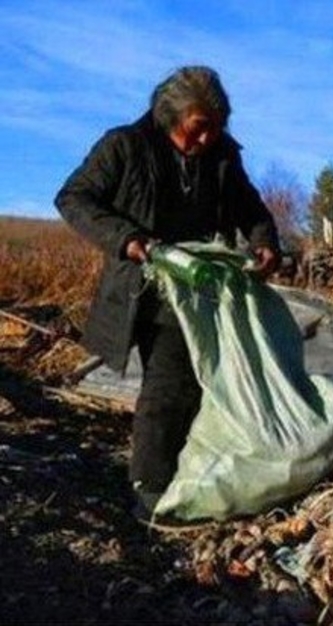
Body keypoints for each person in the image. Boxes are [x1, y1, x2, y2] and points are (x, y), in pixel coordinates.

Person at [55, 66, 281, 520]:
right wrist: (126, 237)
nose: (206, 141)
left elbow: (251, 208)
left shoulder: (222, 157)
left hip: (203, 288)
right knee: (169, 383)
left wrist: (264, 242)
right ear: (170, 116)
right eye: (199, 130)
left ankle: (185, 471)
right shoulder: (124, 146)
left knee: (202, 382)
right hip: (146, 287)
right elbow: (74, 198)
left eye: (216, 131)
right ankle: (150, 491)